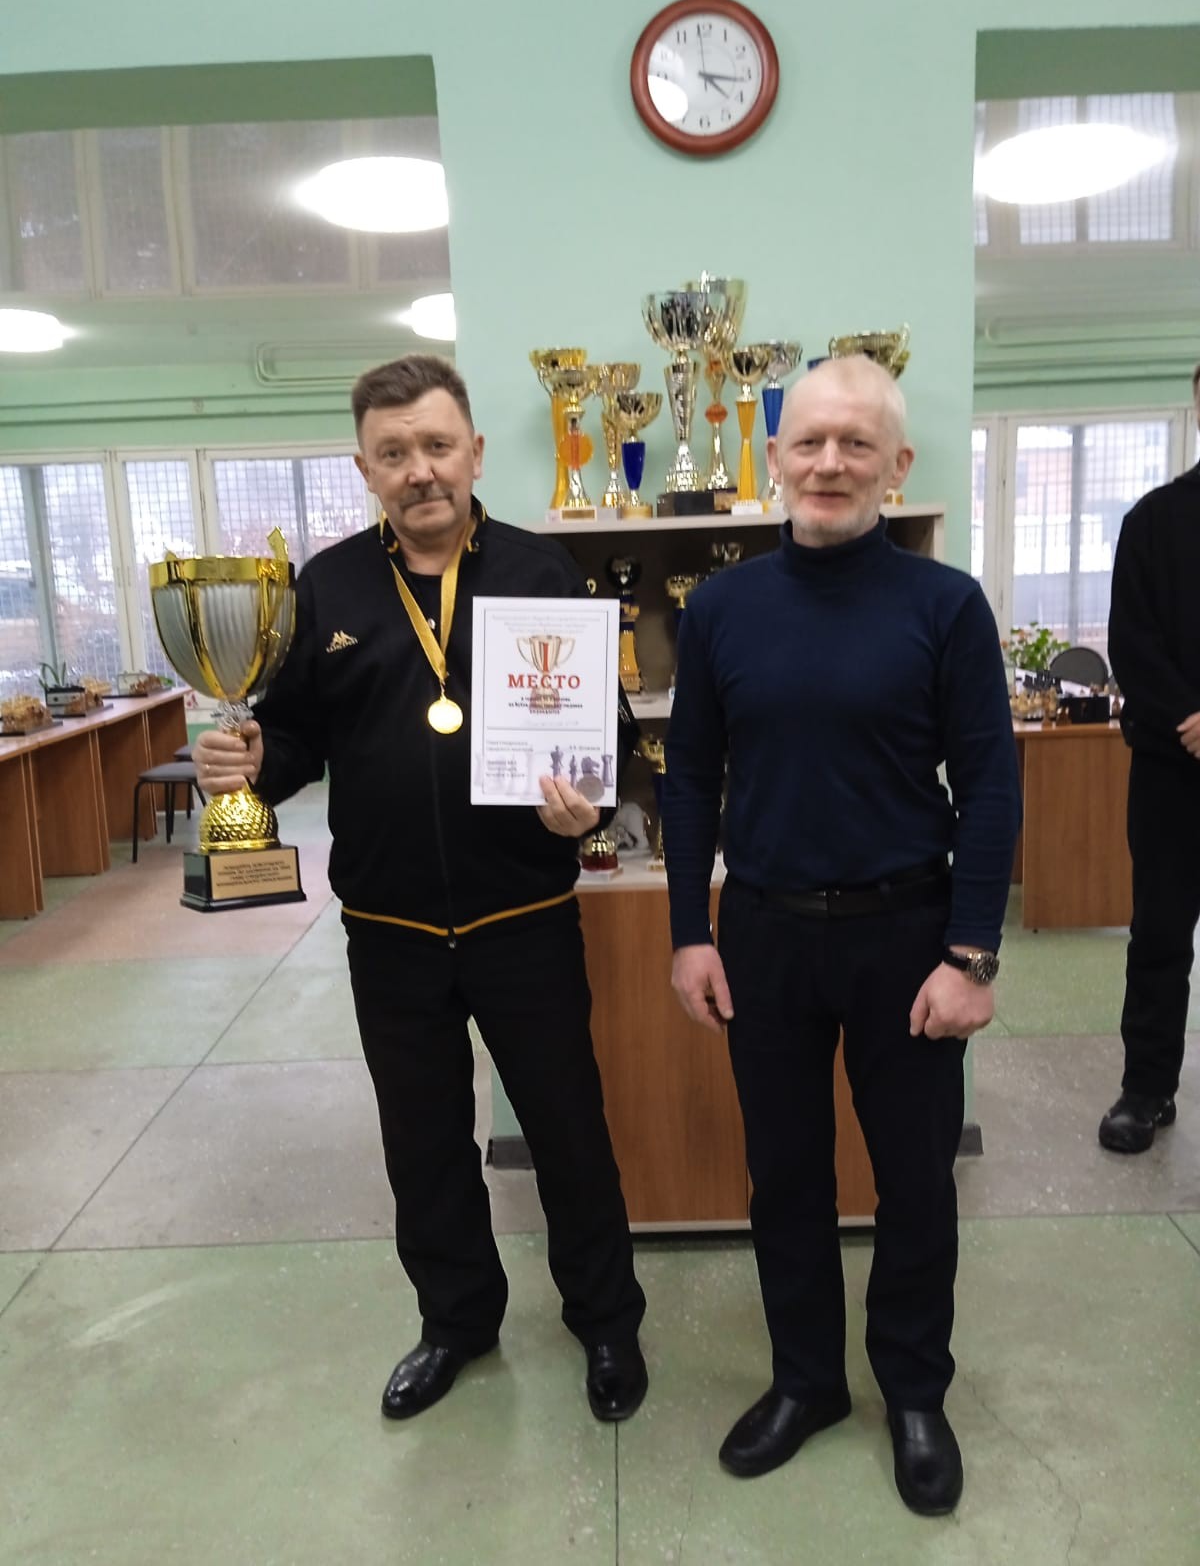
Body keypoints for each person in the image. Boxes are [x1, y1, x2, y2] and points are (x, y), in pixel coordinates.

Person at [192, 354, 647, 1424]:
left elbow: (610, 737)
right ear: (366, 469)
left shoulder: (540, 572)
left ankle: (606, 1322)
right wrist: (249, 760)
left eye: (437, 446)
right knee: (423, 1141)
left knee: (567, 1130)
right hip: (389, 927)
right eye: (393, 454)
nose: (420, 470)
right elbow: (296, 738)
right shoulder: (328, 587)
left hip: (523, 918)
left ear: (474, 453)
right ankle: (456, 1321)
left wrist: (588, 806)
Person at [661, 356, 1021, 1516]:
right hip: (764, 936)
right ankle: (807, 1381)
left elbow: (990, 784)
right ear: (775, 456)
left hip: (906, 938)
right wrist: (689, 929)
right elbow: (689, 779)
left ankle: (914, 1390)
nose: (829, 463)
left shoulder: (944, 605)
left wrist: (971, 954)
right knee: (785, 1177)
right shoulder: (720, 610)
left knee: (915, 1181)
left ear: (895, 464)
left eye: (856, 443)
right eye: (809, 441)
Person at [1100, 362, 1200, 1153]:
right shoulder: (1155, 521)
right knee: (1160, 935)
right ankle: (1146, 1089)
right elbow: (1131, 643)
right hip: (1174, 767)